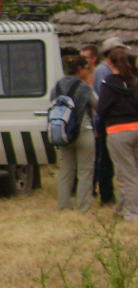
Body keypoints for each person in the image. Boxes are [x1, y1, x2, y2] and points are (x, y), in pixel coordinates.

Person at [51, 56, 97, 212]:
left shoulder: (58, 86)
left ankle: (64, 206)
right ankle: (83, 207)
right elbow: (97, 104)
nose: (88, 72)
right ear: (80, 70)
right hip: (83, 131)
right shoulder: (84, 87)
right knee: (85, 171)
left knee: (65, 171)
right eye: (86, 69)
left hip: (63, 133)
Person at [97, 47, 138, 221]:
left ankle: (133, 212)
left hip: (118, 131)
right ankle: (121, 210)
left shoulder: (109, 83)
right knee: (130, 171)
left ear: (110, 63)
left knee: (126, 174)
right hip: (136, 128)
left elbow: (101, 108)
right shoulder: (134, 82)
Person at [93, 37, 127, 205]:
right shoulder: (104, 72)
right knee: (106, 160)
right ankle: (106, 195)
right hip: (108, 121)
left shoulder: (108, 71)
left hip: (112, 120)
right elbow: (101, 101)